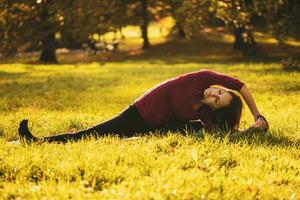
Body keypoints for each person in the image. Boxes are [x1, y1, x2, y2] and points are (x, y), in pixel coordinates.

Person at [18, 69, 268, 144]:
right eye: (220, 92)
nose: (215, 93)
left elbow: (223, 137)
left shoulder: (202, 114)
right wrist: (257, 114)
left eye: (217, 100)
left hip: (156, 126)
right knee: (92, 133)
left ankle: (36, 142)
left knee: (183, 130)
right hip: (136, 113)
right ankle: (37, 141)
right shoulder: (201, 78)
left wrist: (252, 130)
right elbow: (242, 85)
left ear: (214, 108)